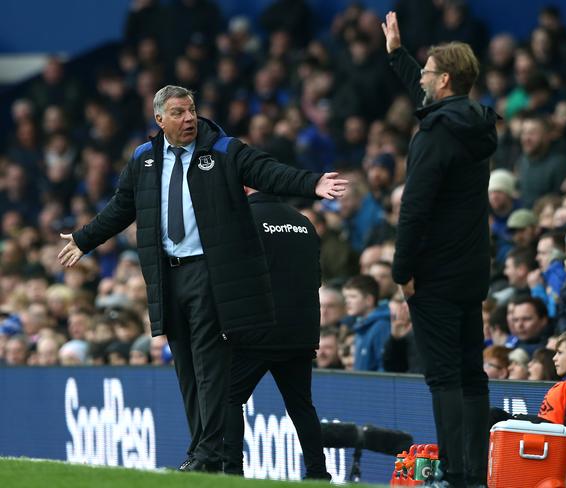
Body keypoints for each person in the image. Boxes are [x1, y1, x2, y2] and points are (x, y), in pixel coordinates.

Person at [57, 85, 347, 472]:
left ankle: (210, 456)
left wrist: (311, 184)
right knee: (187, 370)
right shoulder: (145, 158)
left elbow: (267, 171)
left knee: (212, 370)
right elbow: (121, 207)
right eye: (178, 113)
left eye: (191, 110)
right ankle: (200, 450)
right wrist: (84, 238)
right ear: (159, 120)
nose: (189, 118)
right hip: (166, 274)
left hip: (209, 273)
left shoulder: (224, 150)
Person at [383, 12, 498, 487]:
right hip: (472, 270)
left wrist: (401, 270)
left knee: (444, 377)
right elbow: (431, 100)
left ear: (446, 79)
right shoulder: (475, 123)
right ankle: (474, 472)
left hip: (434, 274)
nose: (423, 79)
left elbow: (414, 209)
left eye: (429, 72)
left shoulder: (433, 135)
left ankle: (452, 473)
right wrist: (399, 57)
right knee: (471, 373)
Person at [222, 187, 330, 480]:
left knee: (228, 398)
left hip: (256, 331)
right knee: (301, 405)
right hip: (301, 331)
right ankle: (318, 474)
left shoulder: (241, 219)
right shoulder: (303, 222)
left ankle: (231, 472)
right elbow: (316, 279)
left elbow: (229, 279)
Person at [490, 329, 566, 487]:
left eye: (559, 353)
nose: (554, 358)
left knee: (493, 417)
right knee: (492, 417)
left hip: (558, 467)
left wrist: (520, 420)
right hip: (541, 453)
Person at [342, 275, 391, 372]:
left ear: (369, 300)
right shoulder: (361, 327)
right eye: (346, 297)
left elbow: (384, 367)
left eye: (353, 296)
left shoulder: (381, 326)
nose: (347, 301)